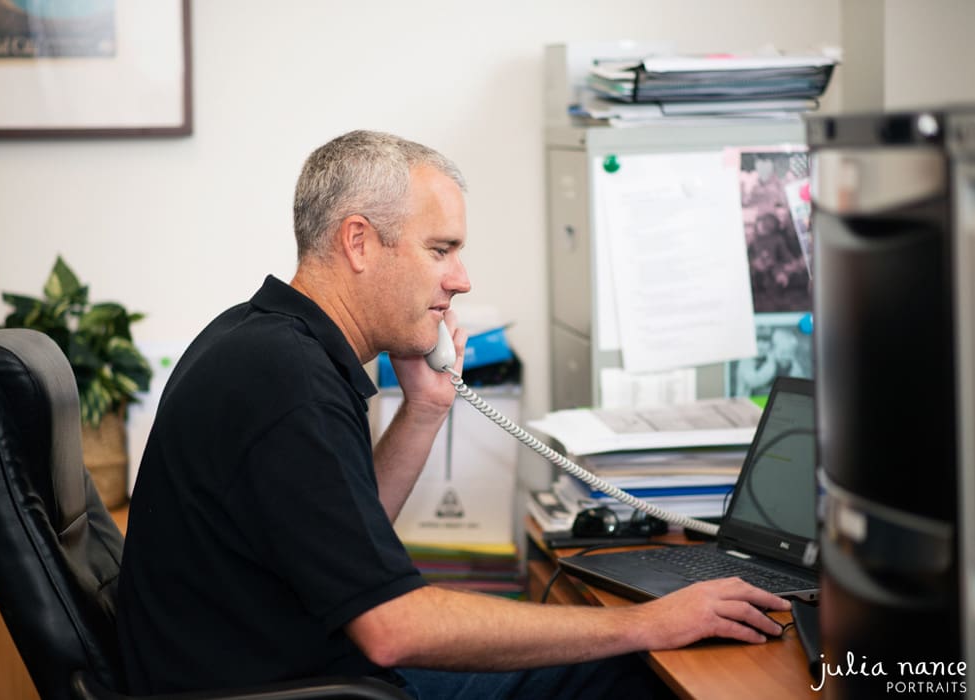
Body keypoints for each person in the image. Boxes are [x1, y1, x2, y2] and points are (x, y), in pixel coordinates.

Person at [116, 130, 790, 699]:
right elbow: (392, 627)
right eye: (440, 250)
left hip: (287, 667)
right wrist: (646, 625)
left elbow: (346, 539)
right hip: (291, 685)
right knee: (626, 670)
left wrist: (426, 406)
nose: (460, 279)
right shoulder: (287, 380)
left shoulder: (264, 339)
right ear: (357, 242)